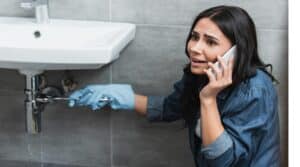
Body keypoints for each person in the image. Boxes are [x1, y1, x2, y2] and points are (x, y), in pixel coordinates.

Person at [68, 5, 280, 167]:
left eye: (211, 42)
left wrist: (208, 99)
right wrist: (124, 97)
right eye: (194, 37)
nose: (195, 48)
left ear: (235, 51)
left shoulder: (254, 90)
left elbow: (223, 161)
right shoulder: (200, 72)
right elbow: (172, 107)